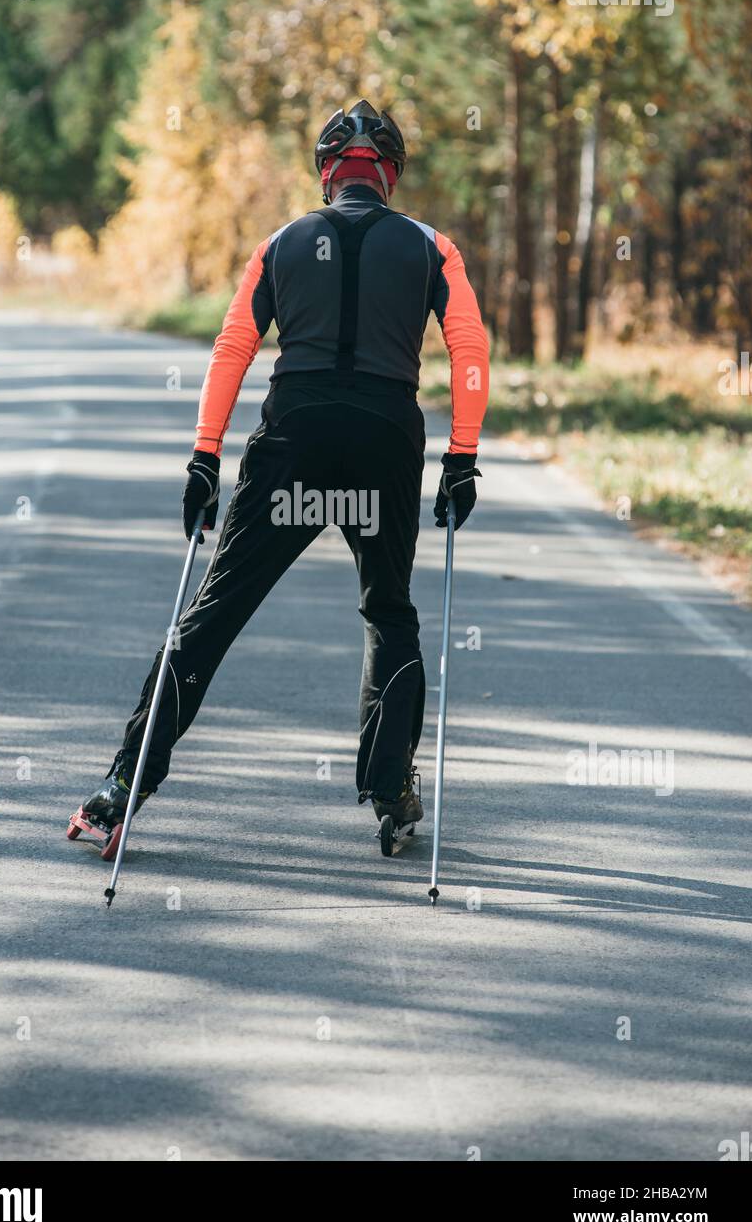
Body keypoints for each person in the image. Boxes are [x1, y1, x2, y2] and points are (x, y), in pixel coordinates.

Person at [78, 99, 489, 839]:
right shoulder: (433, 248)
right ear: (389, 175)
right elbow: (469, 352)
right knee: (387, 612)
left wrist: (204, 456)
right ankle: (391, 785)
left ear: (327, 173)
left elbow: (232, 348)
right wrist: (462, 457)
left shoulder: (280, 242)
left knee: (213, 615)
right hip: (384, 443)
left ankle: (123, 780)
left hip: (293, 441)